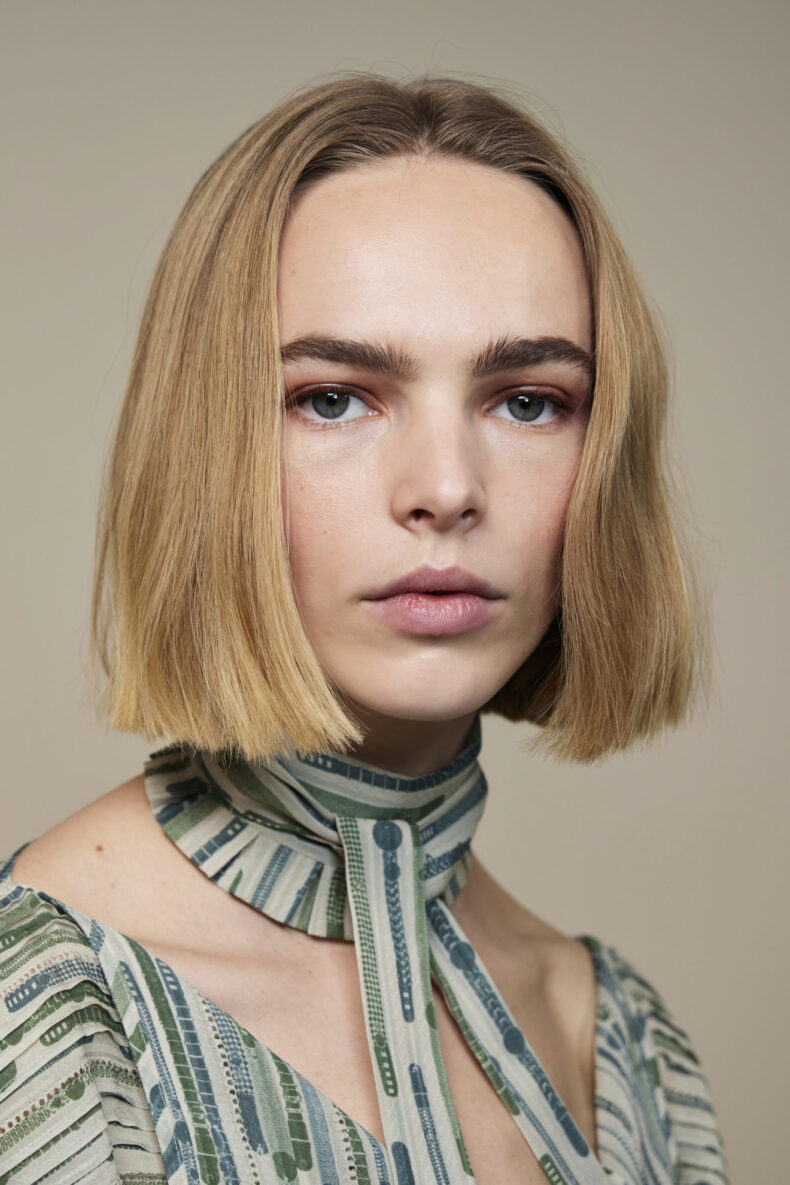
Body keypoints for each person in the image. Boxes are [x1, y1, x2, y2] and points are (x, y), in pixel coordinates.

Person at [0, 72, 729, 1185]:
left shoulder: (623, 1041)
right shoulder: (40, 1006)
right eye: (333, 397)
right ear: (206, 448)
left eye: (528, 401)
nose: (446, 489)